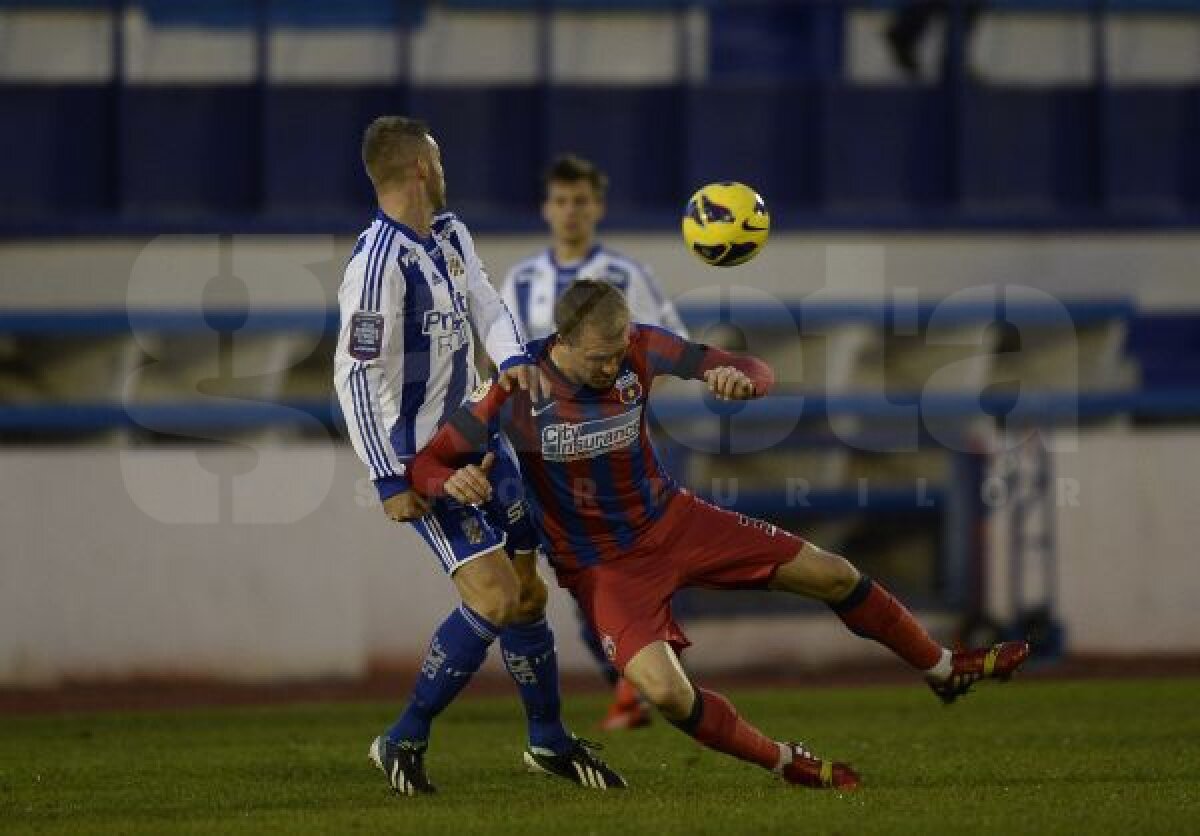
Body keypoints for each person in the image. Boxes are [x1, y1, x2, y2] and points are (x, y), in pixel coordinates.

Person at [410, 279, 1030, 790]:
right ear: (563, 341)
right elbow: (428, 464)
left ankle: (941, 667)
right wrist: (451, 480)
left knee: (833, 572)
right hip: (603, 565)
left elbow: (746, 366)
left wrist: (741, 379)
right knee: (665, 693)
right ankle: (784, 761)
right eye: (600, 356)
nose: (613, 365)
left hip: (675, 521)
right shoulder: (516, 388)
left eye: (619, 351)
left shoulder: (641, 348)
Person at [333, 118, 625, 796]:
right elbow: (353, 375)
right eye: (437, 157)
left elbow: (486, 302)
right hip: (426, 461)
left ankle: (548, 741)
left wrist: (514, 355)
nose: (444, 166)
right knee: (494, 595)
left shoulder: (450, 234)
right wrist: (388, 477)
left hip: (482, 437)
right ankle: (403, 738)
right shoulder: (377, 267)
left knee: (527, 593)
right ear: (419, 168)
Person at [501, 154, 688, 731]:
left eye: (580, 201)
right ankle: (633, 680)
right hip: (544, 459)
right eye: (561, 201)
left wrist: (621, 404)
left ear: (598, 207)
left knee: (625, 565)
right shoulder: (520, 281)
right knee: (571, 575)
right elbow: (500, 360)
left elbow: (666, 347)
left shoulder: (626, 275)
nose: (570, 211)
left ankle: (638, 683)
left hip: (613, 454)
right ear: (545, 208)